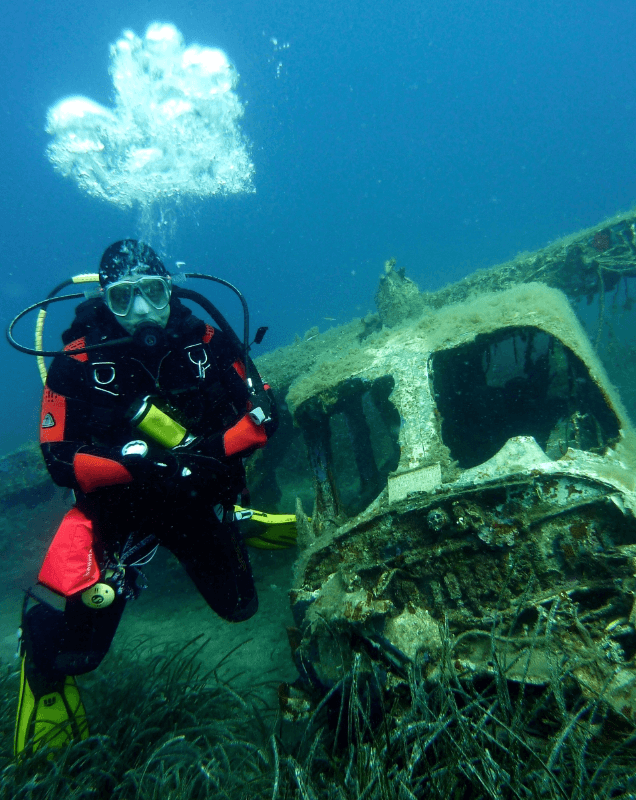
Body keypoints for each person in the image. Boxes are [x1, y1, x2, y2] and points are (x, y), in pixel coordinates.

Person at [14, 239, 278, 756]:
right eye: (123, 299)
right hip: (118, 513)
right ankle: (43, 647)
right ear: (106, 302)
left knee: (240, 607)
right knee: (76, 653)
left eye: (153, 294)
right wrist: (141, 465)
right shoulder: (75, 360)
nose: (141, 313)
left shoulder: (207, 338)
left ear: (170, 290)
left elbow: (266, 412)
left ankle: (237, 520)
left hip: (196, 500)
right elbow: (58, 459)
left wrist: (203, 454)